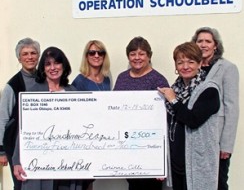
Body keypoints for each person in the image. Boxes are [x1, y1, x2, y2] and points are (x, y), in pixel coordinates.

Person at [12, 46, 77, 190]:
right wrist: (17, 161)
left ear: (63, 65)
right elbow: (22, 130)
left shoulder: (73, 92)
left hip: (68, 163)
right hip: (40, 162)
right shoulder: (33, 93)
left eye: (57, 63)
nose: (53, 67)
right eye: (48, 64)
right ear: (43, 68)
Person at [158, 42, 220, 190]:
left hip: (197, 165)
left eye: (191, 62)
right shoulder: (175, 89)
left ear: (199, 64)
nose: (185, 67)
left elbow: (192, 120)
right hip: (177, 164)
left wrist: (173, 100)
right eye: (180, 62)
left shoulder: (209, 90)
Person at [114, 36, 169, 190]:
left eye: (141, 54)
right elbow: (113, 108)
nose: (137, 58)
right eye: (133, 54)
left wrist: (161, 159)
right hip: (127, 144)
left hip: (150, 146)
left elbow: (165, 118)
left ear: (149, 56)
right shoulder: (122, 78)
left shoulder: (158, 80)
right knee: (133, 184)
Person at [191, 27, 239, 190]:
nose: (203, 45)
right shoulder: (191, 68)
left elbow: (231, 107)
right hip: (196, 138)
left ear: (215, 45)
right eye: (199, 41)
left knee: (218, 183)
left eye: (208, 41)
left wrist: (226, 144)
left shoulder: (227, 68)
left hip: (217, 139)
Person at [0, 37, 40, 190]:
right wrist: (2, 150)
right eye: (25, 54)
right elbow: (3, 118)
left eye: (33, 53)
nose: (29, 57)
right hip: (16, 145)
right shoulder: (12, 85)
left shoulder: (44, 79)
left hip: (37, 142)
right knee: (21, 183)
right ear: (19, 58)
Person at [72, 40, 111, 190]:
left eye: (100, 52)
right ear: (86, 56)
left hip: (100, 136)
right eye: (92, 52)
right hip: (84, 135)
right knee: (84, 179)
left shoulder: (106, 80)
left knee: (91, 177)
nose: (96, 55)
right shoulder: (79, 81)